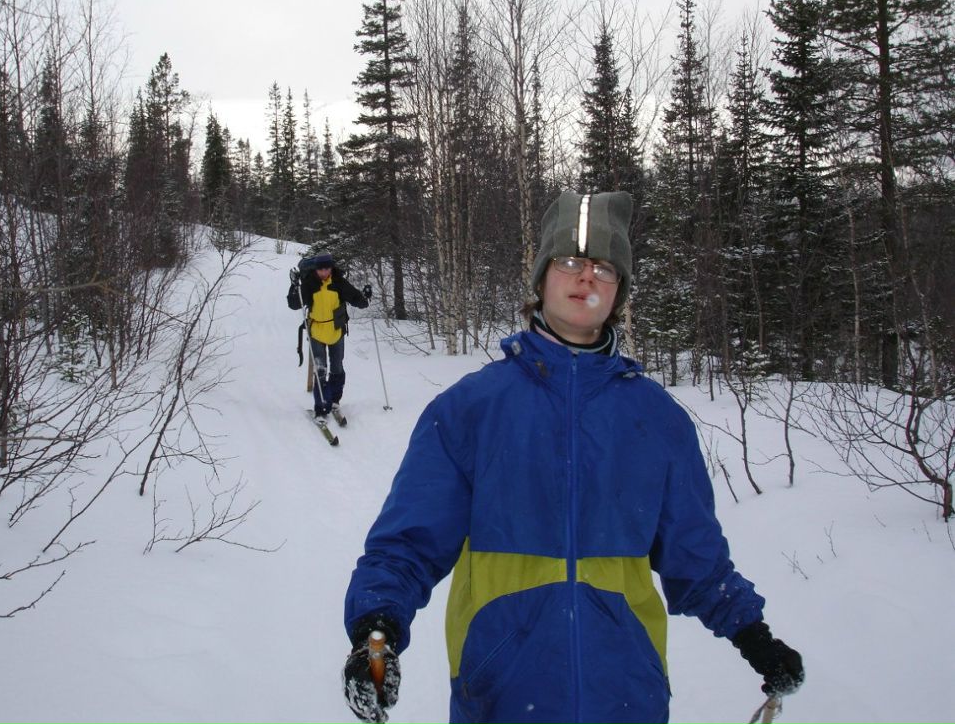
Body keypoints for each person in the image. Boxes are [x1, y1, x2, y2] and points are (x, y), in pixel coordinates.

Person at [340, 191, 804, 724]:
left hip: (626, 695)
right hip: (500, 693)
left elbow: (697, 558)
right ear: (541, 278)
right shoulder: (472, 409)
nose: (586, 276)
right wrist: (375, 629)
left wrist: (755, 636)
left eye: (604, 268)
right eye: (569, 261)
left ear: (618, 292)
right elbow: (407, 544)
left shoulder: (657, 419)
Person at [287, 251, 371, 421]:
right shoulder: (310, 283)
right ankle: (321, 407)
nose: (324, 272)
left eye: (327, 269)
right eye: (321, 269)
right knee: (320, 370)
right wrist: (294, 285)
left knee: (337, 368)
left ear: (331, 268)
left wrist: (365, 297)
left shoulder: (339, 282)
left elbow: (356, 299)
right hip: (317, 332)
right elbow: (294, 303)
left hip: (336, 331)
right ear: (316, 269)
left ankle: (334, 401)